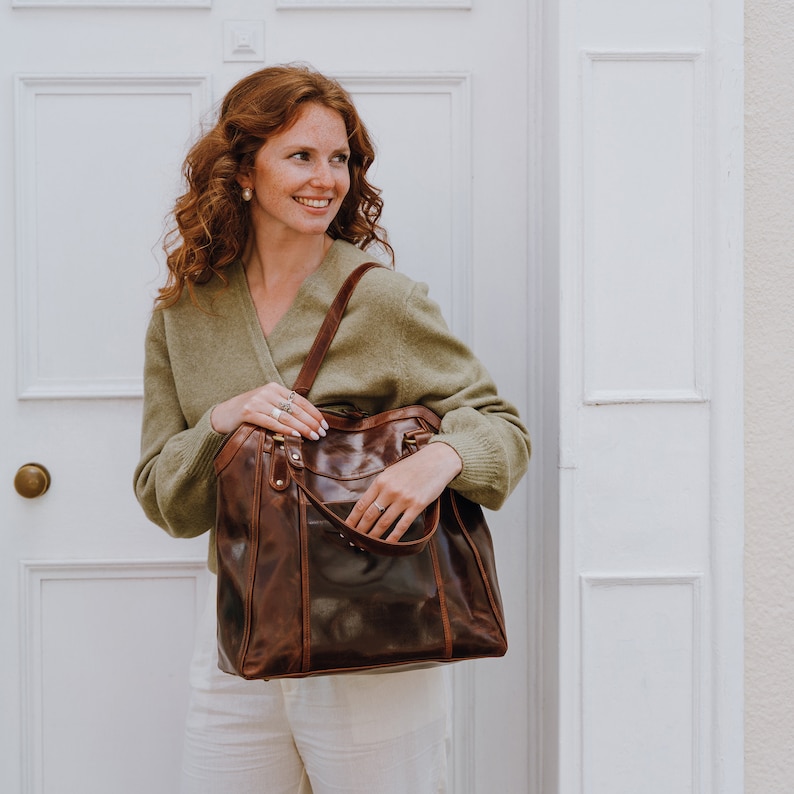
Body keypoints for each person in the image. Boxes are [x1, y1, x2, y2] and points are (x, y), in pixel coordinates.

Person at [134, 63, 530, 794]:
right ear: (242, 169)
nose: (327, 178)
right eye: (301, 155)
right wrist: (224, 420)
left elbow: (499, 426)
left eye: (341, 158)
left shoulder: (381, 300)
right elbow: (167, 500)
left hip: (374, 635)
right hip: (240, 641)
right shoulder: (186, 315)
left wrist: (440, 457)